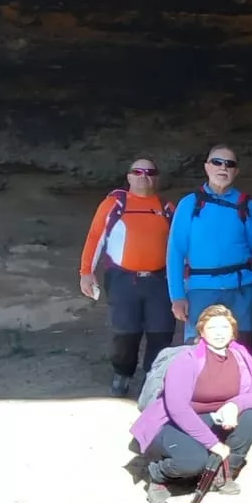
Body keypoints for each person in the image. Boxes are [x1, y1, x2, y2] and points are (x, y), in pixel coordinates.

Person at [130, 304, 252, 503]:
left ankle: (223, 471)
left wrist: (234, 405)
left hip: (214, 417)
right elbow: (178, 409)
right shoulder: (187, 360)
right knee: (193, 463)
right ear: (201, 331)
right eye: (212, 328)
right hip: (173, 423)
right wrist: (214, 444)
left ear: (233, 331)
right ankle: (159, 474)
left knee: (251, 420)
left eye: (224, 328)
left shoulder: (240, 354)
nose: (219, 334)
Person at [79, 156, 176, 396]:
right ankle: (122, 373)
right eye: (138, 171)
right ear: (129, 176)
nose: (144, 176)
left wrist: (183, 277)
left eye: (150, 172)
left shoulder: (166, 207)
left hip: (159, 280)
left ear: (157, 177)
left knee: (161, 331)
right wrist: (86, 272)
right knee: (125, 332)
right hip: (124, 279)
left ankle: (153, 379)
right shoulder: (115, 204)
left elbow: (180, 246)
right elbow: (95, 237)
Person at [165, 144, 252, 340]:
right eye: (217, 162)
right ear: (207, 167)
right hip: (201, 290)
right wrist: (177, 296)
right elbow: (175, 251)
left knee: (240, 352)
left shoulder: (247, 205)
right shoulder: (189, 204)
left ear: (236, 171)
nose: (223, 168)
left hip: (241, 290)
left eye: (229, 164)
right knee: (199, 352)